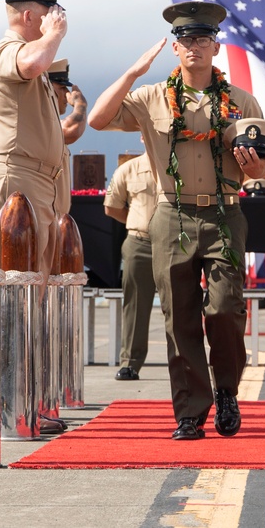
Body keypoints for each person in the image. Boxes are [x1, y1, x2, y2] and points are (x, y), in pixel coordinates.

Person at [88, 1, 265, 440]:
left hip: (224, 213)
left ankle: (227, 391)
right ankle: (190, 412)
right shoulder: (150, 96)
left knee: (226, 308)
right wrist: (133, 73)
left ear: (216, 46)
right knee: (180, 316)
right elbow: (97, 119)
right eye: (186, 40)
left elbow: (262, 168)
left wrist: (253, 168)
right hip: (171, 214)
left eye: (203, 39)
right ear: (175, 48)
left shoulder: (240, 100)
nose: (194, 46)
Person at [0, 0, 67, 274]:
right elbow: (31, 63)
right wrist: (53, 34)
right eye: (49, 12)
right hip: (16, 178)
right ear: (28, 15)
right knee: (13, 281)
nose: (57, 17)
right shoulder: (3, 52)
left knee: (34, 285)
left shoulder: (31, 59)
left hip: (39, 182)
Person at [104, 150, 157, 381]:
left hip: (176, 244)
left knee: (180, 307)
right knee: (135, 305)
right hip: (140, 243)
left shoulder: (180, 166)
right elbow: (112, 207)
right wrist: (137, 220)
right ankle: (130, 363)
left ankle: (185, 363)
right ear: (142, 136)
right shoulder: (128, 169)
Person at [47, 59, 89, 217]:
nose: (67, 94)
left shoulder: (50, 120)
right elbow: (72, 130)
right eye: (61, 87)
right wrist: (80, 104)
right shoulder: (33, 118)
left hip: (54, 218)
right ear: (46, 87)